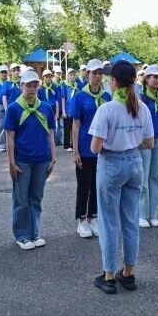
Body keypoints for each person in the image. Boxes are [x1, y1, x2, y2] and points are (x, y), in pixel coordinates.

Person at [89, 60, 154, 294]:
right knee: (130, 220)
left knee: (108, 222)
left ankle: (108, 275)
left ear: (114, 82)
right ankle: (128, 273)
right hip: (135, 161)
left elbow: (95, 148)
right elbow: (149, 142)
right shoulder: (142, 107)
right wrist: (130, 139)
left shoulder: (106, 109)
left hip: (111, 163)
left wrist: (114, 139)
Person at [4, 70, 56, 250]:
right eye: (28, 85)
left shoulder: (46, 107)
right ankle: (22, 235)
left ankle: (34, 232)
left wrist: (53, 157)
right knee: (21, 198)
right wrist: (11, 161)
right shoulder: (14, 108)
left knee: (36, 197)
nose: (32, 89)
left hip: (41, 159)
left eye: (35, 85)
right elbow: (10, 136)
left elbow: (50, 133)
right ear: (21, 87)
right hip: (22, 159)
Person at [69, 59, 111, 238]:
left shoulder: (107, 97)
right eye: (94, 73)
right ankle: (81, 219)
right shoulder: (80, 96)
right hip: (86, 148)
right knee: (84, 185)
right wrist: (76, 150)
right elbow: (76, 124)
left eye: (100, 73)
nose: (98, 76)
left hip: (102, 148)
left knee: (98, 185)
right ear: (87, 74)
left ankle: (93, 216)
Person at [138, 64, 158, 228]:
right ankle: (142, 214)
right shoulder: (141, 97)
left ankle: (152, 213)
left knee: (156, 177)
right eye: (155, 77)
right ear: (146, 78)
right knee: (143, 177)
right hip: (144, 140)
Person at [62, 68, 78, 152]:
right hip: (67, 110)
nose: (72, 76)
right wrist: (63, 111)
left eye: (74, 74)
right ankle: (67, 145)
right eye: (71, 75)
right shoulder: (64, 85)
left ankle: (73, 144)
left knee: (74, 128)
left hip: (75, 109)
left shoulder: (77, 85)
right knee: (67, 128)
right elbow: (63, 98)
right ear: (67, 76)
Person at [52, 65, 64, 145]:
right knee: (54, 124)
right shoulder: (52, 83)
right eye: (57, 73)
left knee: (60, 124)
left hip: (61, 106)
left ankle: (59, 140)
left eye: (60, 73)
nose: (59, 74)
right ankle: (54, 140)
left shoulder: (62, 83)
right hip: (54, 106)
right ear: (54, 73)